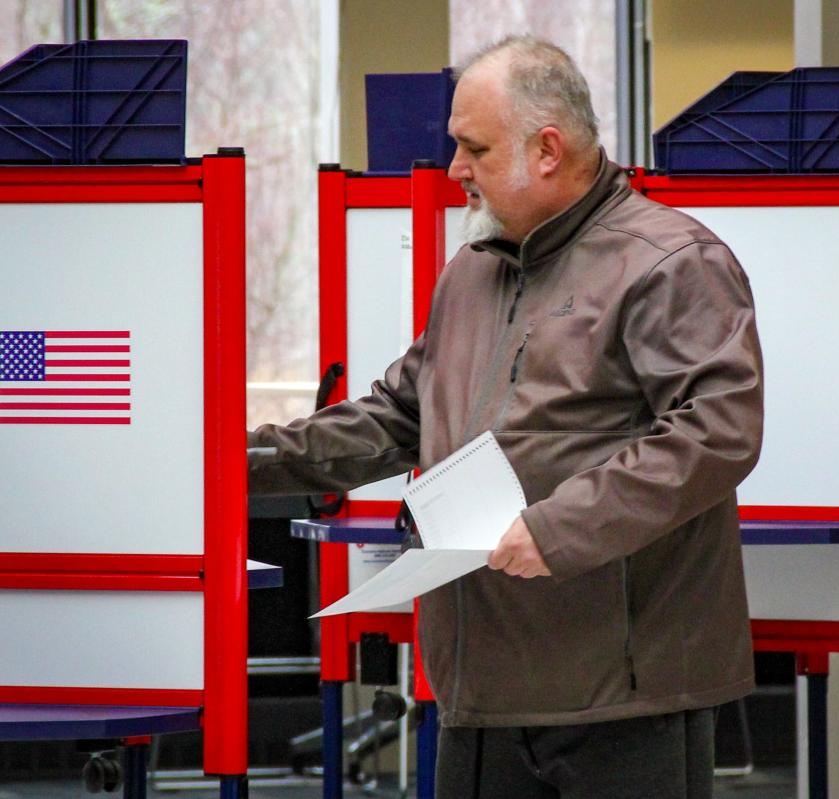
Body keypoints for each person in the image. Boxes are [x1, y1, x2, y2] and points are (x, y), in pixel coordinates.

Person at [249, 35, 763, 799]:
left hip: (623, 696)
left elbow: (715, 430)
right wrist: (233, 461)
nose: (455, 170)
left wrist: (559, 527)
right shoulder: (473, 271)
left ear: (548, 149)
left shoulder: (670, 261)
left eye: (473, 149)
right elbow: (398, 414)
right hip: (479, 689)